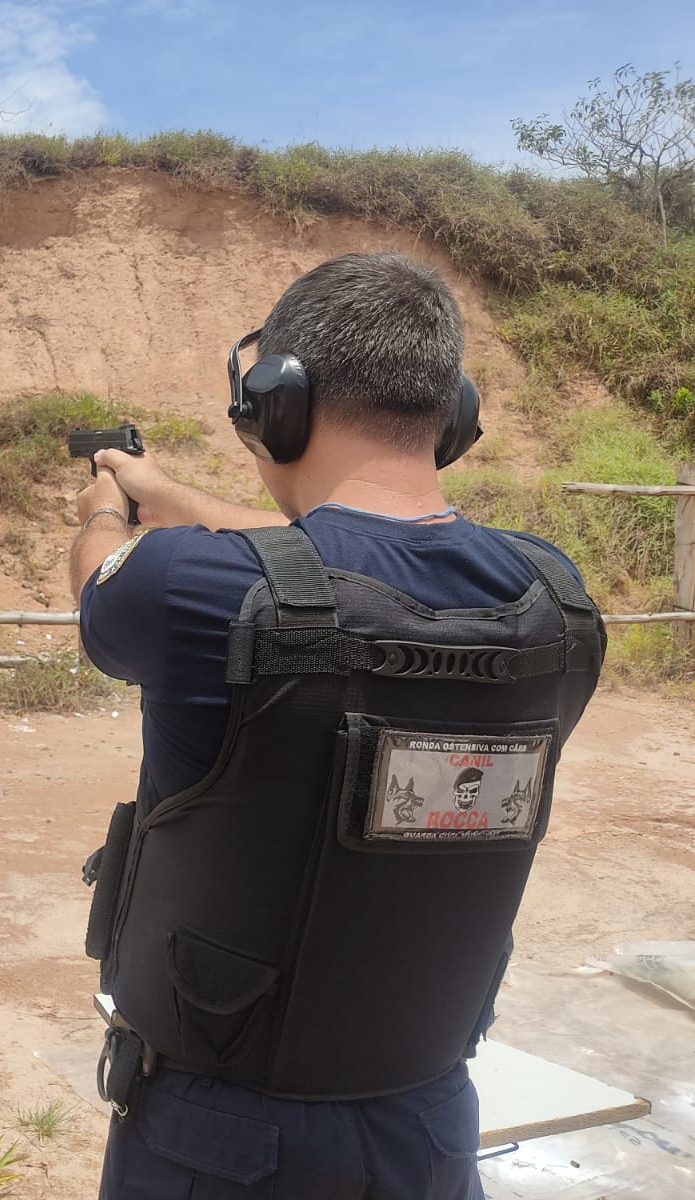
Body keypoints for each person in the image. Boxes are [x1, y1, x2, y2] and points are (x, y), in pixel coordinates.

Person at [70, 251, 605, 1200]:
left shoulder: (186, 588)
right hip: (430, 1125)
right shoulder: (555, 608)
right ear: (454, 417)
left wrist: (109, 504)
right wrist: (173, 490)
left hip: (218, 1136)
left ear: (278, 404)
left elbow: (101, 582)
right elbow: (346, 564)